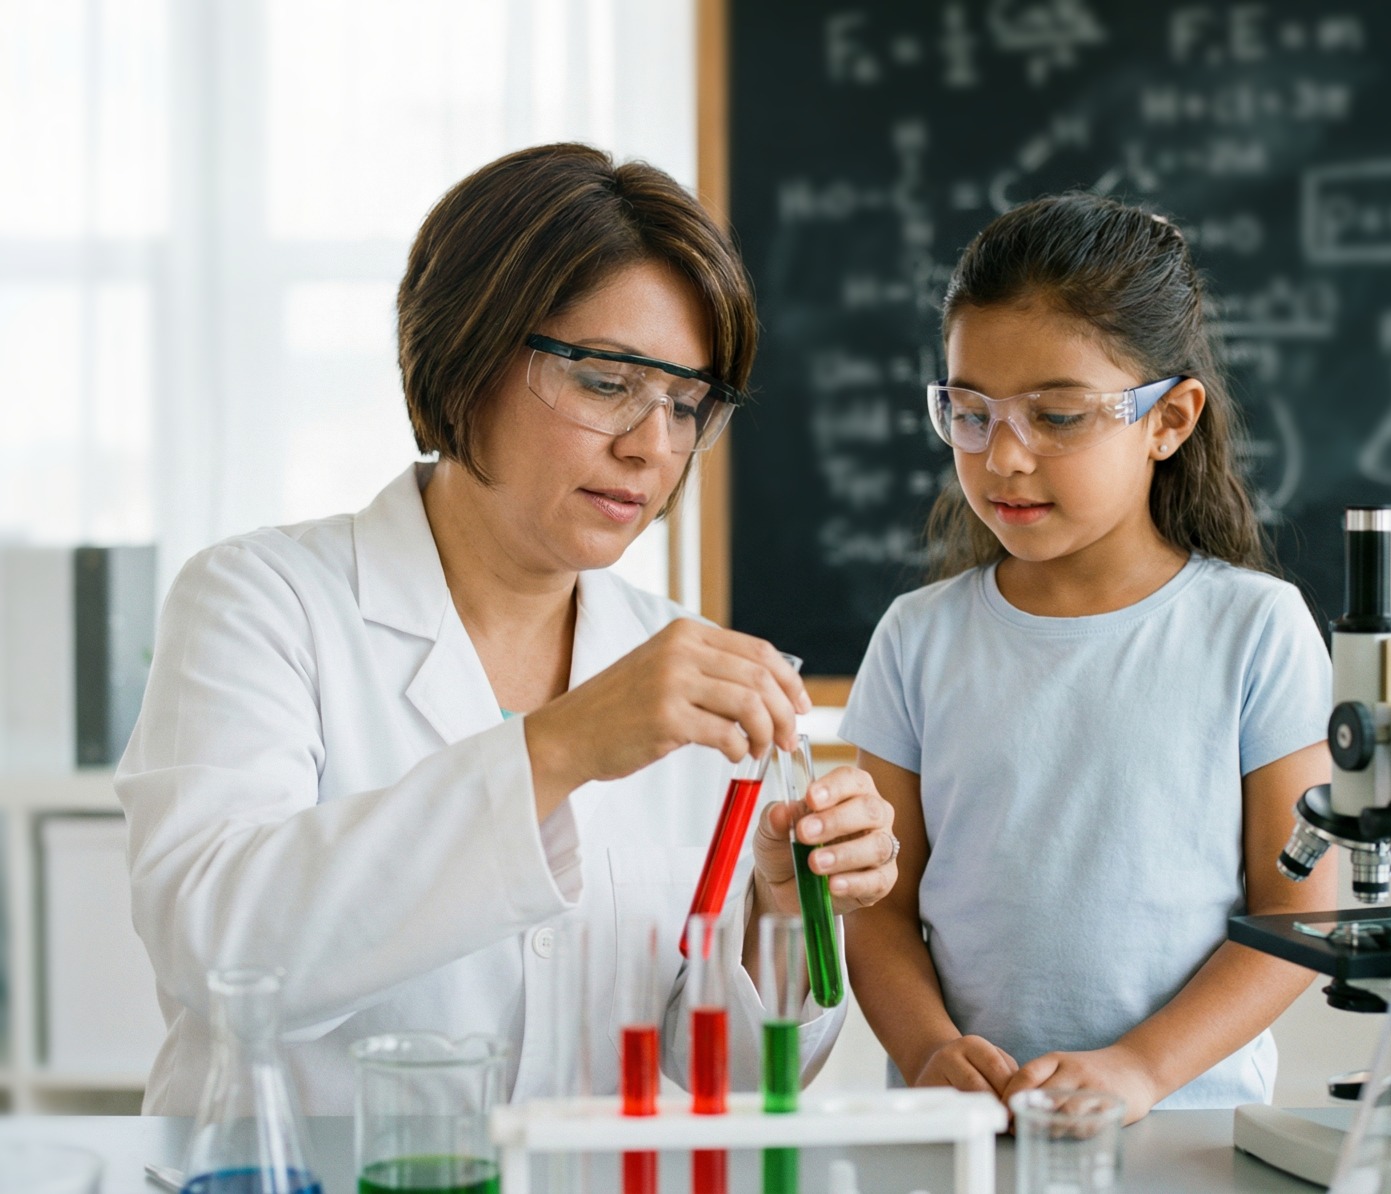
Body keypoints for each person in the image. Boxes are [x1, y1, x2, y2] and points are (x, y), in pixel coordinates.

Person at [118, 143, 898, 1115]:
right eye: (609, 381)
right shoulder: (259, 600)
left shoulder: (680, 664)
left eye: (688, 404)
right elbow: (221, 951)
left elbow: (718, 1076)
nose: (652, 447)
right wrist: (557, 748)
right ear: (470, 349)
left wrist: (779, 916)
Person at [840, 192, 1335, 1119]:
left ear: (1170, 419)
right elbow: (877, 904)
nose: (1004, 459)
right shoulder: (918, 638)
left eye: (1058, 416)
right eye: (971, 412)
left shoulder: (1255, 631)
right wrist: (929, 1050)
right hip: (963, 1134)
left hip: (1186, 1132)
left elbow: (1297, 905)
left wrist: (1142, 1068)